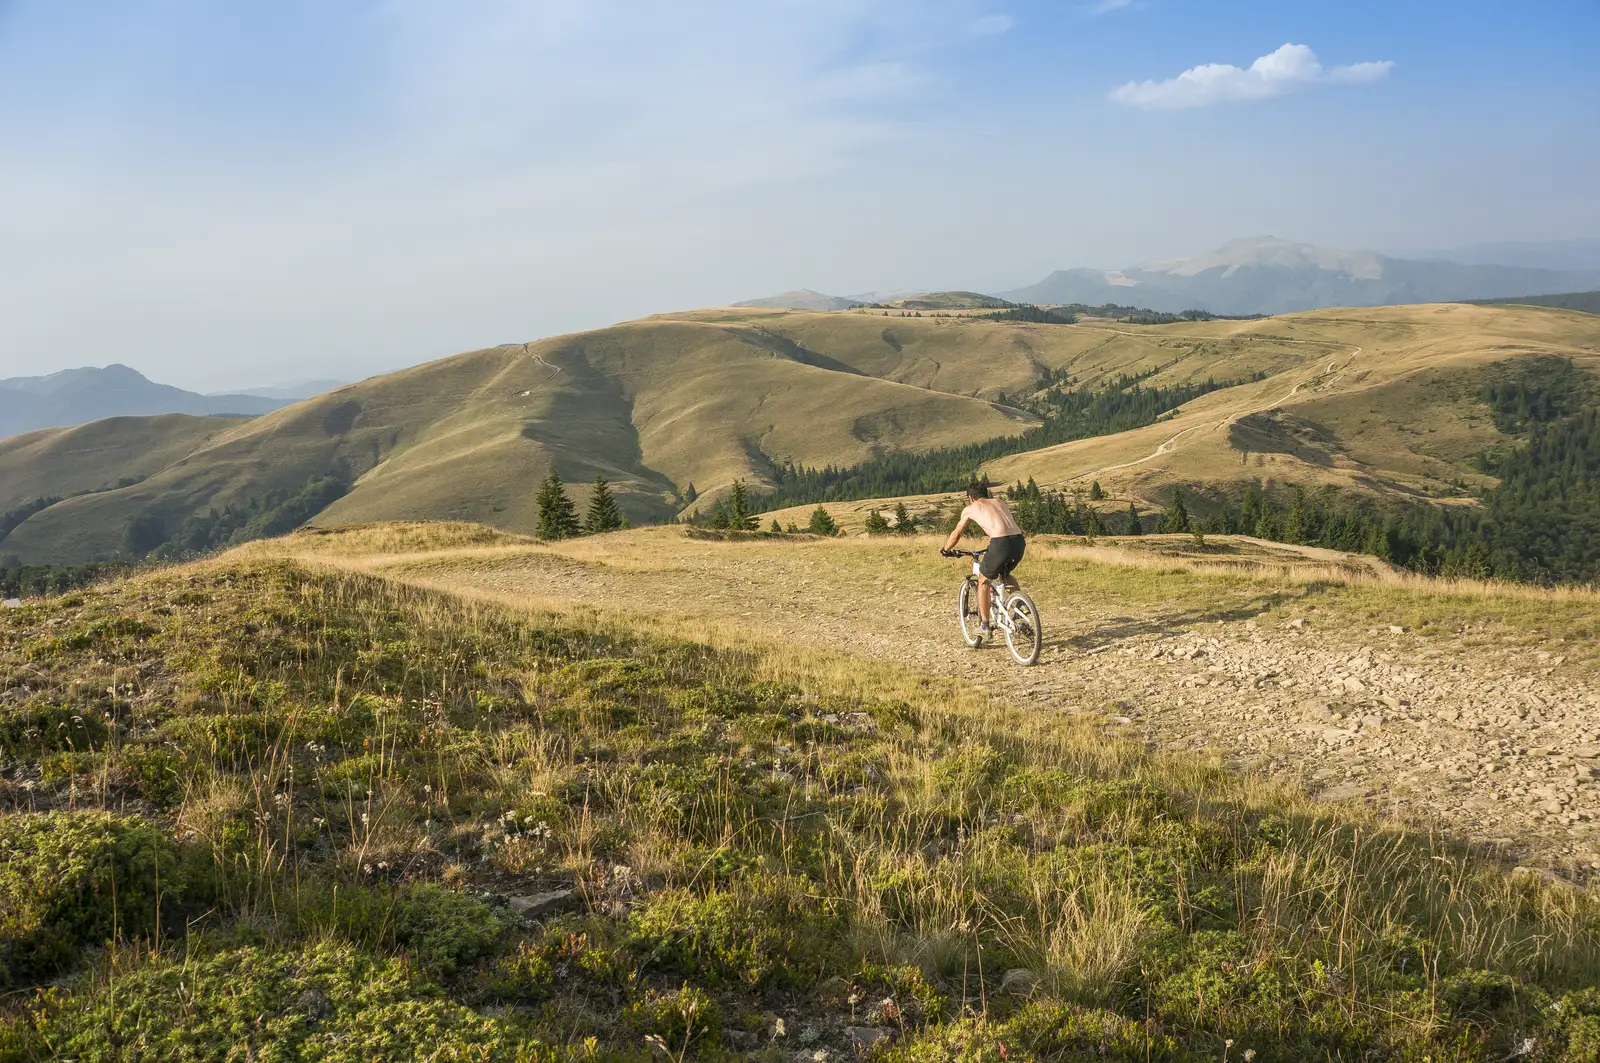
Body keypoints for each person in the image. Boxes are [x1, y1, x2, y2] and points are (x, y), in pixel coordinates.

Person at [940, 480, 1025, 635]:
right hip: (1019, 541)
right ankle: (1022, 606)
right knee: (1005, 574)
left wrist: (946, 550)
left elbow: (956, 534)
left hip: (1000, 542)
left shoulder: (971, 508)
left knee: (983, 581)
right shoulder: (1000, 502)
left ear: (970, 497)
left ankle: (985, 626)